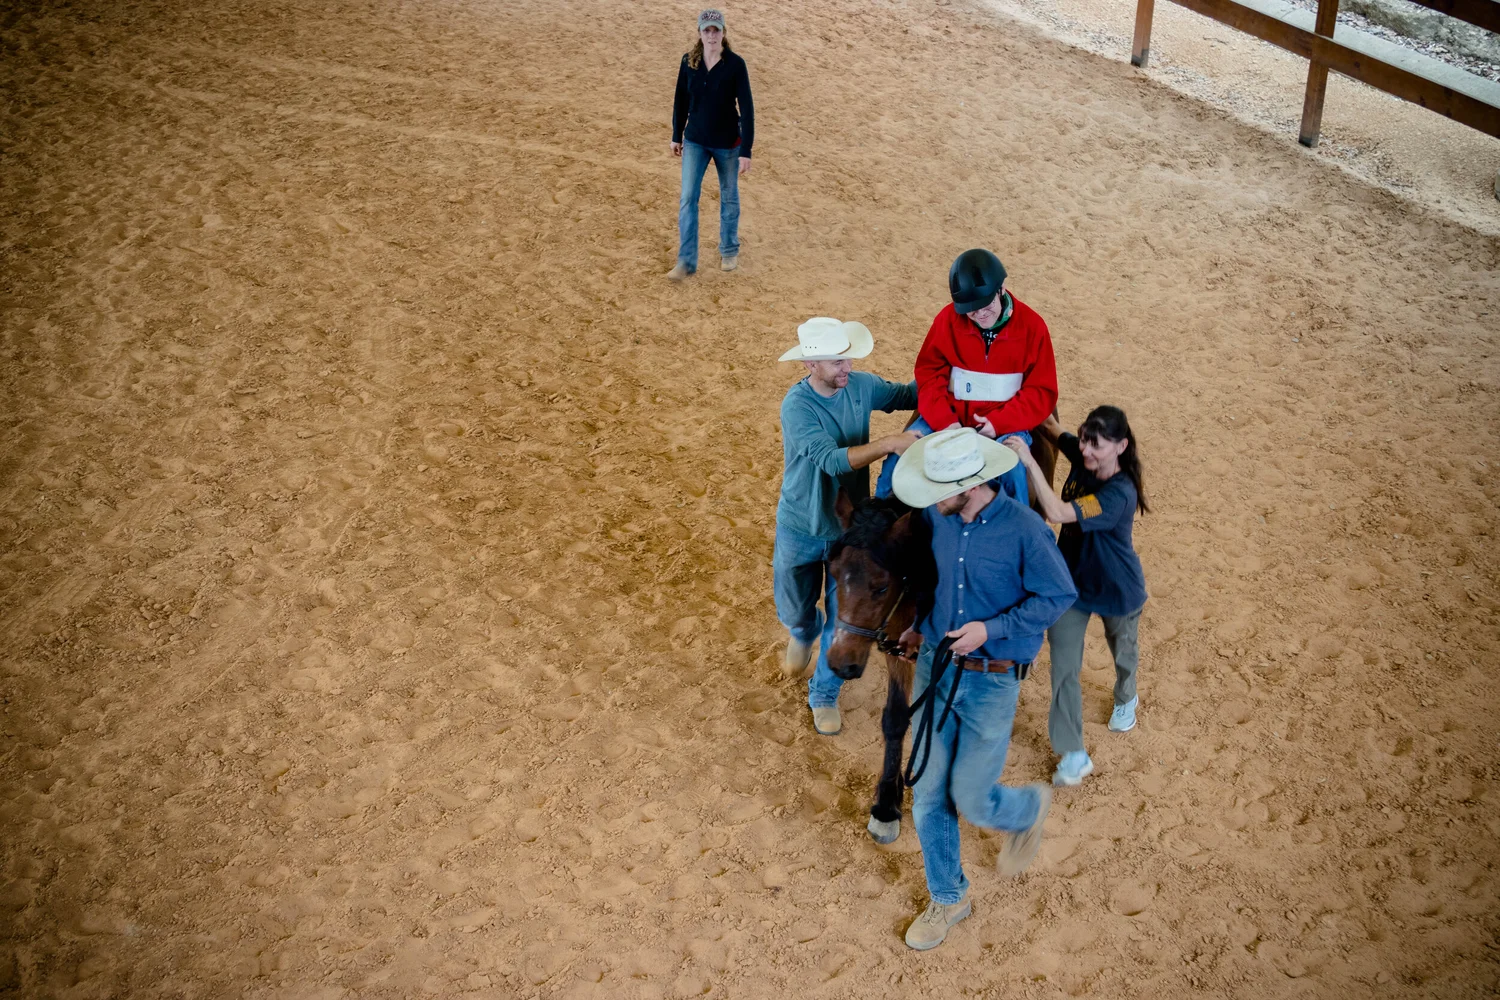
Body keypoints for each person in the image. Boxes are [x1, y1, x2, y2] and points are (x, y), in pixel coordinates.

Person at [889, 427, 1077, 951]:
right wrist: (921, 625)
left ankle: (1024, 810)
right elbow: (940, 581)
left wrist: (989, 630)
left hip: (993, 681)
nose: (932, 498)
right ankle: (949, 897)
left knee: (971, 798)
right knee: (927, 791)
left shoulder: (1025, 530)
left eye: (940, 489)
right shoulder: (940, 517)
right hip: (937, 662)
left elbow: (1058, 594)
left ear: (971, 486)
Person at [776, 317, 920, 737]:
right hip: (801, 522)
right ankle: (802, 630)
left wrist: (948, 371)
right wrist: (889, 443)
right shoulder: (797, 406)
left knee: (844, 614)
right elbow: (831, 459)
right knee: (793, 601)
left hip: (849, 529)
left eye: (848, 359)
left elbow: (907, 393)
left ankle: (823, 694)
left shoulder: (860, 385)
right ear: (810, 366)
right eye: (837, 361)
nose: (847, 368)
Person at [1005, 406, 1149, 788]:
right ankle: (1073, 751)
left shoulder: (1119, 493)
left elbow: (1055, 511)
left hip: (1117, 587)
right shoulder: (1082, 453)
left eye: (1096, 446)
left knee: (1124, 652)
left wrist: (1027, 461)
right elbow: (1052, 428)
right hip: (1069, 585)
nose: (1085, 451)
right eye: (1084, 441)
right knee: (1063, 666)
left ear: (1120, 447)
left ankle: (1126, 696)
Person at [875, 249, 1058, 508]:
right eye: (971, 311)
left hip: (1004, 423)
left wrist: (999, 423)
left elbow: (1041, 391)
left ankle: (1016, 534)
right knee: (897, 465)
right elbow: (929, 374)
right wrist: (946, 422)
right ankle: (878, 525)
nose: (980, 315)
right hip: (949, 419)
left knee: (1014, 475)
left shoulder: (1033, 328)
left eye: (986, 306)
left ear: (1001, 289)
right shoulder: (947, 321)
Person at [667, 9, 754, 280]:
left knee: (729, 197)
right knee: (688, 198)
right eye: (707, 30)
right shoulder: (688, 62)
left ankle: (729, 250)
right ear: (700, 34)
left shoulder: (736, 65)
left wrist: (746, 150)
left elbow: (747, 109)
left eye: (716, 30)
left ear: (723, 33)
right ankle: (686, 260)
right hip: (695, 140)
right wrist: (675, 135)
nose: (712, 35)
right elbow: (680, 99)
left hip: (728, 143)